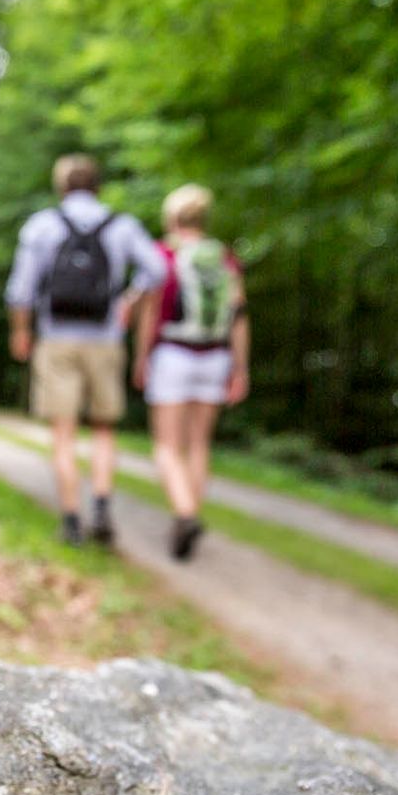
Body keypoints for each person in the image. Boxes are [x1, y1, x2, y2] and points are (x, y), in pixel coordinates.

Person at [5, 154, 165, 546]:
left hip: (57, 337)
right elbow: (158, 270)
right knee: (104, 430)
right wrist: (129, 299)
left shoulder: (43, 225)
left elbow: (21, 290)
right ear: (98, 186)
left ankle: (72, 519)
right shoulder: (122, 226)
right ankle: (103, 507)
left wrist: (21, 331)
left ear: (61, 186)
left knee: (63, 433)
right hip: (106, 339)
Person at [133, 183, 250, 560]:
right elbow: (239, 318)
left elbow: (150, 313)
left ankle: (184, 514)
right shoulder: (224, 259)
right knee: (199, 444)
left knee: (167, 445)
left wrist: (141, 358)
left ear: (172, 218)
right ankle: (190, 513)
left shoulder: (164, 254)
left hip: (173, 354)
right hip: (214, 357)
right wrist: (240, 367)